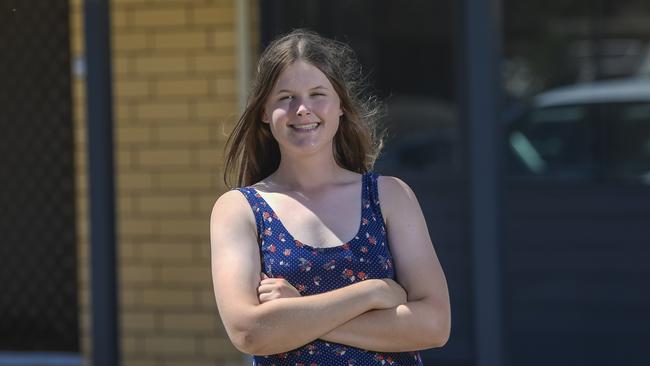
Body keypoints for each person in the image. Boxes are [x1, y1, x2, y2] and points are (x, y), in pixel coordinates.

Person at [210, 29, 450, 365]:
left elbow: (434, 326)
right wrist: (374, 292)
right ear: (264, 112)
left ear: (340, 105)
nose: (303, 109)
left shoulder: (390, 197)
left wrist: (296, 310)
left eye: (317, 93)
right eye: (285, 97)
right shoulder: (240, 209)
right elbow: (249, 333)